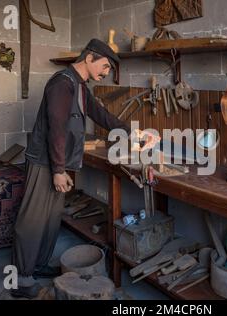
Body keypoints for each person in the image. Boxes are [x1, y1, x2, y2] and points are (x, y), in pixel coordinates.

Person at [11, 38, 158, 298]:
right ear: (89, 58)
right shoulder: (61, 84)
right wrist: (58, 170)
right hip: (45, 163)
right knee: (32, 221)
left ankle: (38, 265)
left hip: (58, 163)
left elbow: (102, 116)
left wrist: (134, 134)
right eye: (104, 67)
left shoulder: (79, 86)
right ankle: (21, 280)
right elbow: (56, 129)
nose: (105, 73)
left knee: (51, 218)